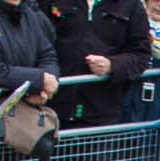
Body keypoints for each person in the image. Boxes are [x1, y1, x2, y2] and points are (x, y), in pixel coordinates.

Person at [45, 0, 149, 129]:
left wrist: (112, 65)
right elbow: (38, 46)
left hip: (102, 115)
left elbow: (141, 55)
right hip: (53, 111)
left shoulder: (131, 5)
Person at [0, 0, 57, 109]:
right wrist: (39, 80)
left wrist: (47, 84)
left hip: (29, 107)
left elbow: (47, 54)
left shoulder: (29, 14)